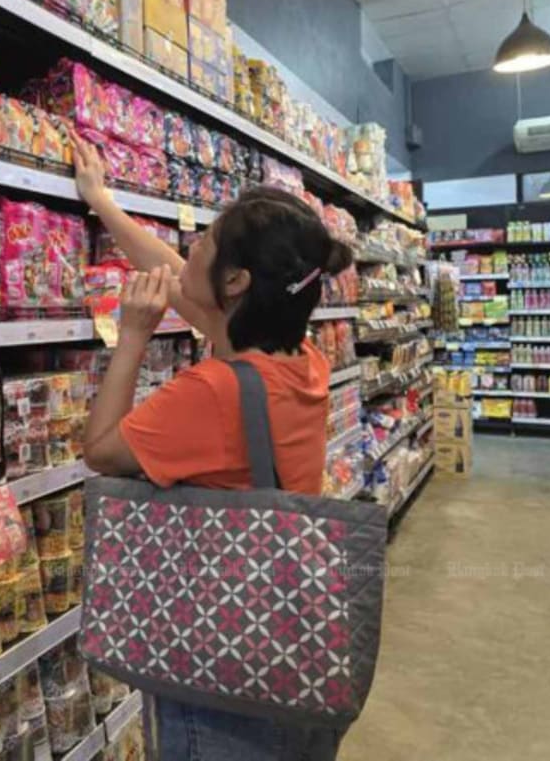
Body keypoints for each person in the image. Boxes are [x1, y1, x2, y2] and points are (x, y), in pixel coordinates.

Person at [72, 139, 355, 761]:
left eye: (204, 240)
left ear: (236, 279)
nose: (188, 248)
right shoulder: (295, 358)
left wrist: (133, 337)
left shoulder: (214, 390)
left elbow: (100, 450)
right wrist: (103, 203)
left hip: (219, 664)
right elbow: (178, 277)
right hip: (287, 641)